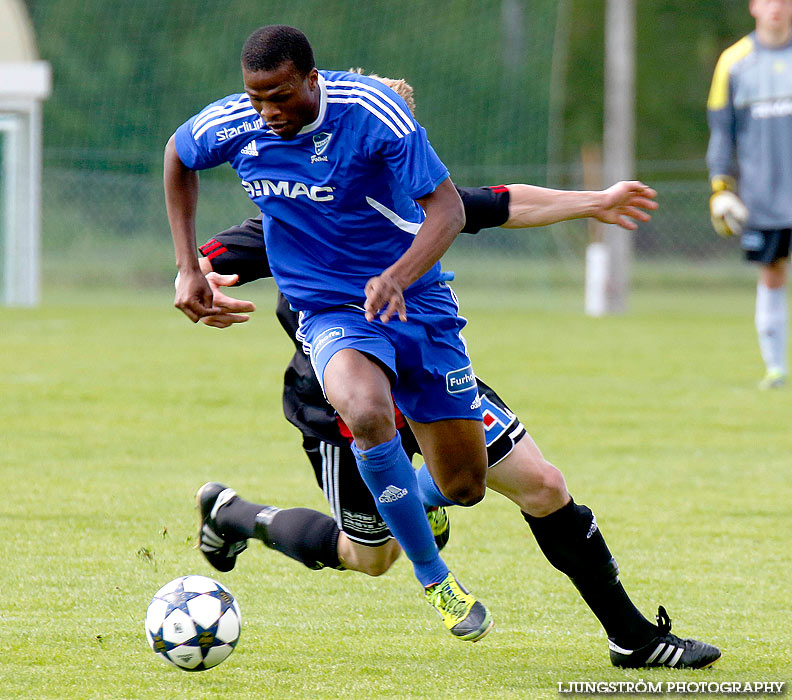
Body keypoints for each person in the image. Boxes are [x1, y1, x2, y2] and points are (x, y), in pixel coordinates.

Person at [185, 76, 719, 664]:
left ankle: (634, 638)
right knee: (370, 555)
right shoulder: (293, 214)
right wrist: (201, 281)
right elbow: (207, 263)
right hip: (342, 401)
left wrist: (595, 201)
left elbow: (506, 202)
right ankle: (234, 515)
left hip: (428, 367)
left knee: (543, 486)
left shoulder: (419, 194)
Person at [166, 24, 504, 643]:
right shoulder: (236, 124)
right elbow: (178, 155)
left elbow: (451, 210)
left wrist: (397, 276)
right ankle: (438, 580)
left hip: (417, 304)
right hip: (328, 312)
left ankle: (410, 496)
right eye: (256, 96)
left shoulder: (374, 116)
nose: (268, 112)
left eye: (281, 95)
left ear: (312, 80)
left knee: (464, 485)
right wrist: (190, 267)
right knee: (366, 408)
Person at [707, 0, 792, 389]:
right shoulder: (734, 61)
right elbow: (722, 130)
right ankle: (775, 370)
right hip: (763, 199)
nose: (776, 7)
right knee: (771, 274)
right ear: (753, 6)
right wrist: (720, 188)